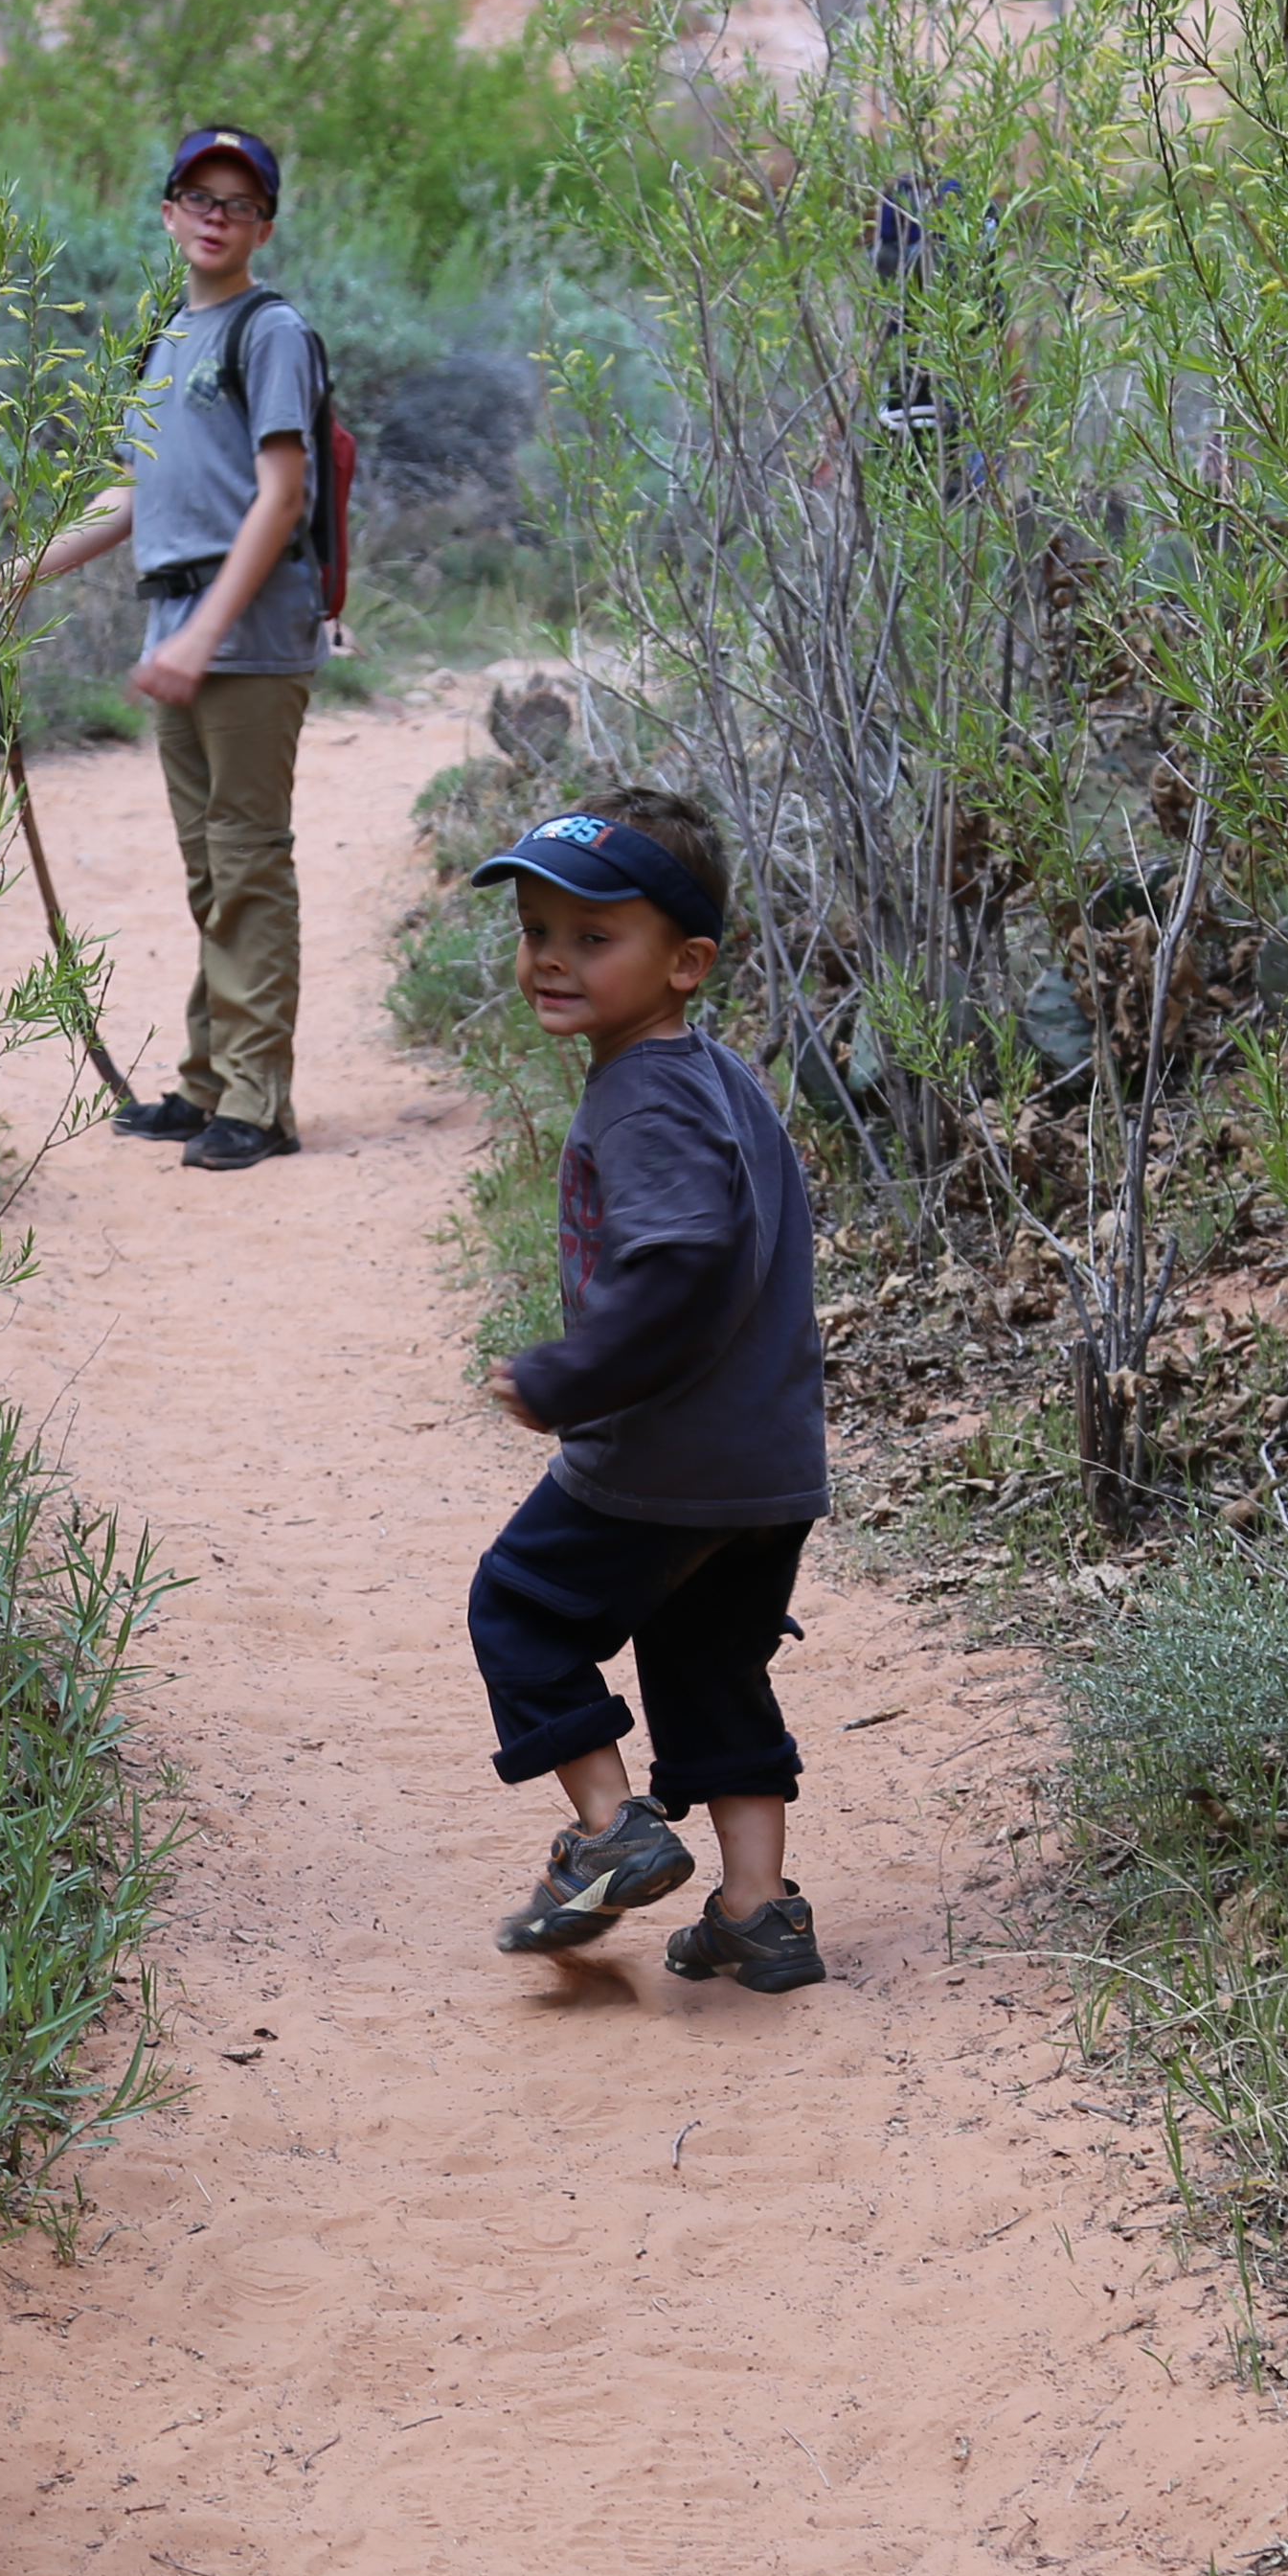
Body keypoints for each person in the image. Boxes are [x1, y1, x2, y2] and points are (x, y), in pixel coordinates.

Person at [464, 789, 831, 1993]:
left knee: (521, 1608)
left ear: (687, 963)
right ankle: (756, 1911)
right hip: (765, 1463)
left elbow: (676, 1262)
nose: (552, 960)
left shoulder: (644, 1095)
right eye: (536, 932)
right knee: (707, 1660)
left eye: (592, 936)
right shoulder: (712, 1077)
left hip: (663, 1454)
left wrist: (573, 1375)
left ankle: (611, 1830)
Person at [0, 124, 327, 1174]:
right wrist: (20, 568)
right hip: (182, 632)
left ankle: (260, 1100)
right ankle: (211, 1087)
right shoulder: (166, 337)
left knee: (246, 864)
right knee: (213, 872)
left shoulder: (271, 332)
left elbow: (282, 496)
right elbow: (129, 493)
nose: (213, 215)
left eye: (236, 204)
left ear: (263, 226)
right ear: (166, 211)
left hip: (247, 640)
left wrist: (204, 635)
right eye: (196, 196)